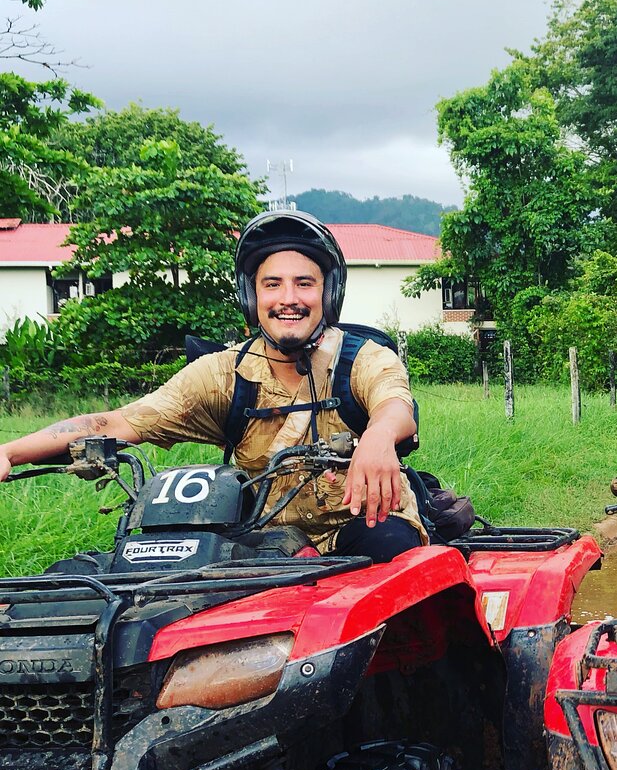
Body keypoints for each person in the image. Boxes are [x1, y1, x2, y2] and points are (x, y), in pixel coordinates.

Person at [0, 209, 425, 561]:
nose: (288, 297)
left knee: (391, 551)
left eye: (304, 283)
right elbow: (113, 422)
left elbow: (395, 405)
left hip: (363, 526)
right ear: (251, 296)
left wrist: (379, 436)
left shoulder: (362, 358)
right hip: (270, 542)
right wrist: (10, 453)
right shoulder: (223, 373)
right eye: (272, 284)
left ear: (327, 294)